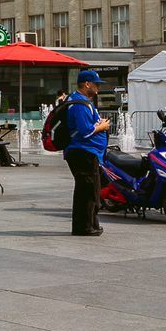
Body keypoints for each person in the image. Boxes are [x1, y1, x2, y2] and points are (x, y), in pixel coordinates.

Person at [60, 71, 111, 237]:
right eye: (96, 83)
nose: (98, 87)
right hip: (83, 152)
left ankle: (89, 224)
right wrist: (101, 127)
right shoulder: (80, 104)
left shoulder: (80, 101)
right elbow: (86, 131)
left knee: (89, 189)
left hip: (86, 152)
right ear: (87, 84)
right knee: (88, 190)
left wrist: (99, 123)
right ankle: (84, 227)